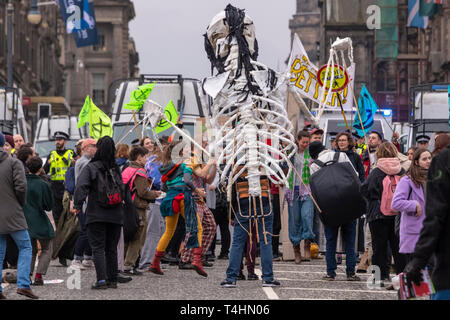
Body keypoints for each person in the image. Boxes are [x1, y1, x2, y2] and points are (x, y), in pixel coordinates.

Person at [148, 141, 207, 277]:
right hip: (183, 198)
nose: (187, 150)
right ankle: (197, 260)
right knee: (197, 228)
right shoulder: (185, 164)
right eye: (185, 148)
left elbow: (163, 187)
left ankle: (155, 263)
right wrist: (197, 190)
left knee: (169, 231)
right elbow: (187, 180)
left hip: (170, 199)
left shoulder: (167, 167)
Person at [73, 136, 124, 289]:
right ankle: (112, 280)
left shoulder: (91, 167)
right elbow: (123, 189)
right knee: (111, 248)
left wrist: (77, 204)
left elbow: (81, 186)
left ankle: (101, 280)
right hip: (116, 214)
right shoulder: (116, 168)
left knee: (98, 247)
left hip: (96, 213)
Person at [309, 141, 361, 281]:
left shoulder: (314, 166)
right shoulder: (341, 155)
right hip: (348, 202)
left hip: (329, 207)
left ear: (313, 155)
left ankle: (330, 272)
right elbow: (354, 175)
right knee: (350, 241)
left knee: (330, 241)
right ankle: (351, 273)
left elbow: (316, 190)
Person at [404, 143, 450, 300]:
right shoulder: (408, 179)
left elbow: (436, 216)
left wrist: (418, 260)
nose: (428, 161)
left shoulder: (444, 161)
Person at [361, 142, 407, 286]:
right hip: (398, 215)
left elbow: (365, 190)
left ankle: (378, 278)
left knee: (378, 248)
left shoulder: (377, 171)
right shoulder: (401, 171)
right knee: (398, 248)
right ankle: (402, 277)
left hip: (378, 214)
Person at [0, 132, 39, 299]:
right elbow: (21, 187)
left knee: (0, 252)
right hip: (12, 213)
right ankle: (23, 284)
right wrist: (19, 204)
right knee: (25, 247)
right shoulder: (13, 163)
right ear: (3, 144)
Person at [122, 146, 160, 275]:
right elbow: (142, 192)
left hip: (125, 206)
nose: (147, 159)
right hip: (137, 207)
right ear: (139, 157)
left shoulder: (126, 169)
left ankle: (122, 263)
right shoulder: (140, 172)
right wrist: (156, 194)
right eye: (145, 157)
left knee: (127, 236)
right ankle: (129, 265)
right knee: (137, 237)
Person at [391, 149, 431, 264]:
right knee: (416, 272)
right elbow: (396, 203)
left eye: (429, 158)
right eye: (424, 159)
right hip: (414, 232)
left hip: (430, 232)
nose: (428, 161)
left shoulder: (434, 178)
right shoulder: (407, 180)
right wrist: (414, 205)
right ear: (417, 162)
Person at [23, 156, 54, 286]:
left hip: (22, 220)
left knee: (30, 249)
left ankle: (27, 275)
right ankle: (38, 275)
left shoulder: (21, 182)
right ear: (40, 168)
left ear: (27, 167)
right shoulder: (43, 185)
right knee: (47, 247)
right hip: (39, 219)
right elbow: (48, 206)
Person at [285, 130, 315, 264]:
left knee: (307, 216)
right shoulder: (290, 153)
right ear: (297, 140)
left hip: (307, 189)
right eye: (303, 142)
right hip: (293, 190)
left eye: (307, 142)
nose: (305, 144)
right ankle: (296, 249)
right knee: (295, 220)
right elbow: (283, 168)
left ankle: (307, 243)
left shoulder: (312, 153)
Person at [70, 138, 97, 270]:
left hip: (86, 200)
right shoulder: (84, 162)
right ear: (86, 148)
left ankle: (87, 256)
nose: (96, 149)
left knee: (89, 230)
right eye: (94, 146)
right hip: (83, 200)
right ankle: (76, 258)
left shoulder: (86, 161)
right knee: (85, 230)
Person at [43, 131, 75, 226]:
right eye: (56, 140)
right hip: (55, 189)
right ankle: (58, 237)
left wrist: (74, 163)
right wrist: (48, 164)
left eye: (60, 140)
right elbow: (43, 171)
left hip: (67, 189)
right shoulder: (51, 155)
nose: (57, 142)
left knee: (69, 215)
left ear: (65, 141)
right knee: (57, 216)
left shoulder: (71, 153)